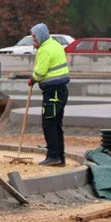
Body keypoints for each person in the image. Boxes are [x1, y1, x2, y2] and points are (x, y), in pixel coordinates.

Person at [28, 22, 70, 166]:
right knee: (56, 123)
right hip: (61, 90)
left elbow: (39, 73)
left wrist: (32, 79)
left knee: (48, 123)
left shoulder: (45, 50)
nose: (34, 41)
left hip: (53, 92)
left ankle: (53, 156)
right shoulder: (55, 45)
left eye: (35, 37)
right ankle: (60, 157)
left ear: (40, 36)